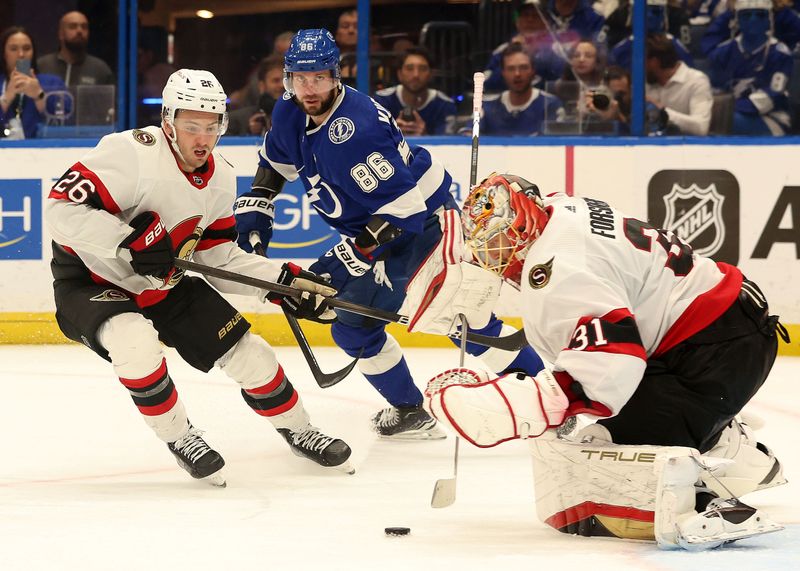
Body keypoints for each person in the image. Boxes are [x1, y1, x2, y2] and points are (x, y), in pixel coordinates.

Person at [423, 173, 787, 549]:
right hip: (726, 327)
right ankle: (723, 442)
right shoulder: (561, 209)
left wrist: (512, 407)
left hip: (711, 353)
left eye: (498, 240)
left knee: (593, 449)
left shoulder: (557, 270)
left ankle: (698, 504)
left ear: (524, 225)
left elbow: (612, 366)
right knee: (595, 423)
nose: (490, 255)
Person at [44, 68, 354, 486]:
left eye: (212, 126)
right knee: (134, 342)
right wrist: (125, 242)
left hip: (163, 281)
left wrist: (283, 282)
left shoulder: (221, 177)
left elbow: (218, 256)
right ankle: (181, 437)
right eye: (191, 126)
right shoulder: (131, 153)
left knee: (251, 353)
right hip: (90, 280)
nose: (202, 138)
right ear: (168, 121)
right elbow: (60, 209)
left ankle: (299, 428)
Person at [234, 29, 544, 440]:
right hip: (377, 230)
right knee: (353, 327)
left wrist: (353, 256)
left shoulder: (358, 131)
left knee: (461, 320)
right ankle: (410, 412)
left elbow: (404, 212)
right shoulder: (290, 110)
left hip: (424, 225)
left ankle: (551, 397)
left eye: (320, 78)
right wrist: (260, 200)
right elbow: (276, 161)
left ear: (336, 75)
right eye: (299, 78)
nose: (309, 89)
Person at [708, 0, 793, 135]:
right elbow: (715, 91)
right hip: (728, 114)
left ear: (769, 19)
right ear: (737, 20)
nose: (753, 20)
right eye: (746, 15)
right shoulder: (722, 52)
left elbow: (772, 96)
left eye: (759, 15)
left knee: (729, 121)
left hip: (772, 117)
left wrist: (727, 109)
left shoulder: (780, 54)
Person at [482, 43, 565, 136]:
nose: (517, 74)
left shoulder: (550, 105)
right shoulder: (487, 107)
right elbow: (468, 137)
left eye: (523, 68)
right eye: (511, 69)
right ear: (503, 73)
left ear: (533, 70)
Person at [0, 26, 68, 139]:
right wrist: (6, 98)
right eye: (13, 49)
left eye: (26, 48)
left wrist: (39, 95)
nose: (21, 54)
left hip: (42, 151)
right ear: (3, 54)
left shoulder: (52, 83)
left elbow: (66, 122)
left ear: (33, 53)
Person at [372, 47, 457, 136]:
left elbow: (448, 146)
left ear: (431, 74)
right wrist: (394, 134)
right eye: (409, 68)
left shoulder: (444, 105)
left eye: (422, 69)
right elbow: (370, 139)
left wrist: (425, 137)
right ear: (399, 74)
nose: (416, 75)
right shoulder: (380, 101)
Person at [645, 33, 713, 135]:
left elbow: (701, 127)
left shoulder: (696, 81)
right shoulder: (644, 83)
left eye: (642, 62)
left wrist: (662, 112)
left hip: (686, 147)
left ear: (654, 62)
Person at [36, 11, 115, 88]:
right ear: (61, 34)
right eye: (72, 26)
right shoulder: (42, 66)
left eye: (84, 27)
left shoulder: (100, 69)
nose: (79, 31)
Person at [609, 0, 694, 69]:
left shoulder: (677, 48)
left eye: (655, 12)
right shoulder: (620, 51)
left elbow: (688, 75)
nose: (649, 16)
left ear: (664, 14)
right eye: (644, 11)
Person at [226, 55, 284, 136]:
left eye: (285, 80)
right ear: (262, 86)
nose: (282, 85)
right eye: (276, 80)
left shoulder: (301, 117)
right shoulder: (235, 120)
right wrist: (249, 133)